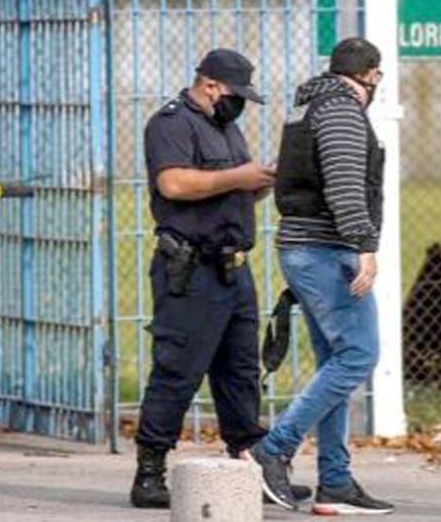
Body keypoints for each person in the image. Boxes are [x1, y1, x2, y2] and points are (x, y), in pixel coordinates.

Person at [130, 48, 311, 508]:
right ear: (210, 85)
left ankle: (250, 465)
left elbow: (231, 191)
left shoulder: (225, 128)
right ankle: (150, 471)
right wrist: (238, 177)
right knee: (178, 369)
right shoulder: (171, 124)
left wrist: (260, 182)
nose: (240, 105)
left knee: (240, 371)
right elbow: (173, 184)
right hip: (191, 269)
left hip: (233, 269)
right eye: (237, 95)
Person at [250, 36, 395, 515]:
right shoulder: (341, 111)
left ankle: (335, 480)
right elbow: (345, 184)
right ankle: (273, 450)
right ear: (370, 75)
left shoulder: (307, 106)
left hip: (305, 248)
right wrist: (364, 247)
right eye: (376, 77)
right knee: (358, 354)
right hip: (326, 249)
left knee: (335, 358)